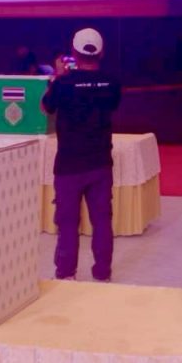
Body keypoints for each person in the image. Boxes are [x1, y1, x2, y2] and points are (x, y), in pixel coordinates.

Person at [42, 28, 122, 281]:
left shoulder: (63, 83)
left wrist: (58, 76)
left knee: (67, 223)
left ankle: (66, 273)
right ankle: (103, 273)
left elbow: (45, 107)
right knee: (102, 220)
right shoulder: (112, 82)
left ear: (74, 53)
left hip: (68, 166)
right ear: (101, 52)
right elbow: (113, 105)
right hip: (100, 163)